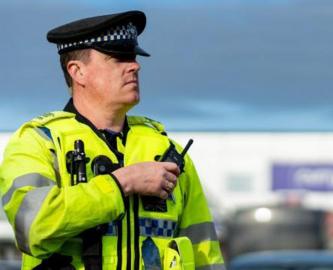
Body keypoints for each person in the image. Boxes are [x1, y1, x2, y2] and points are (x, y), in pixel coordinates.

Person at [0, 10, 225, 270]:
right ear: (78, 72)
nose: (135, 65)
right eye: (118, 58)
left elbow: (205, 256)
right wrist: (123, 183)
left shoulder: (168, 150)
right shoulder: (38, 142)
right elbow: (33, 227)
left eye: (132, 57)